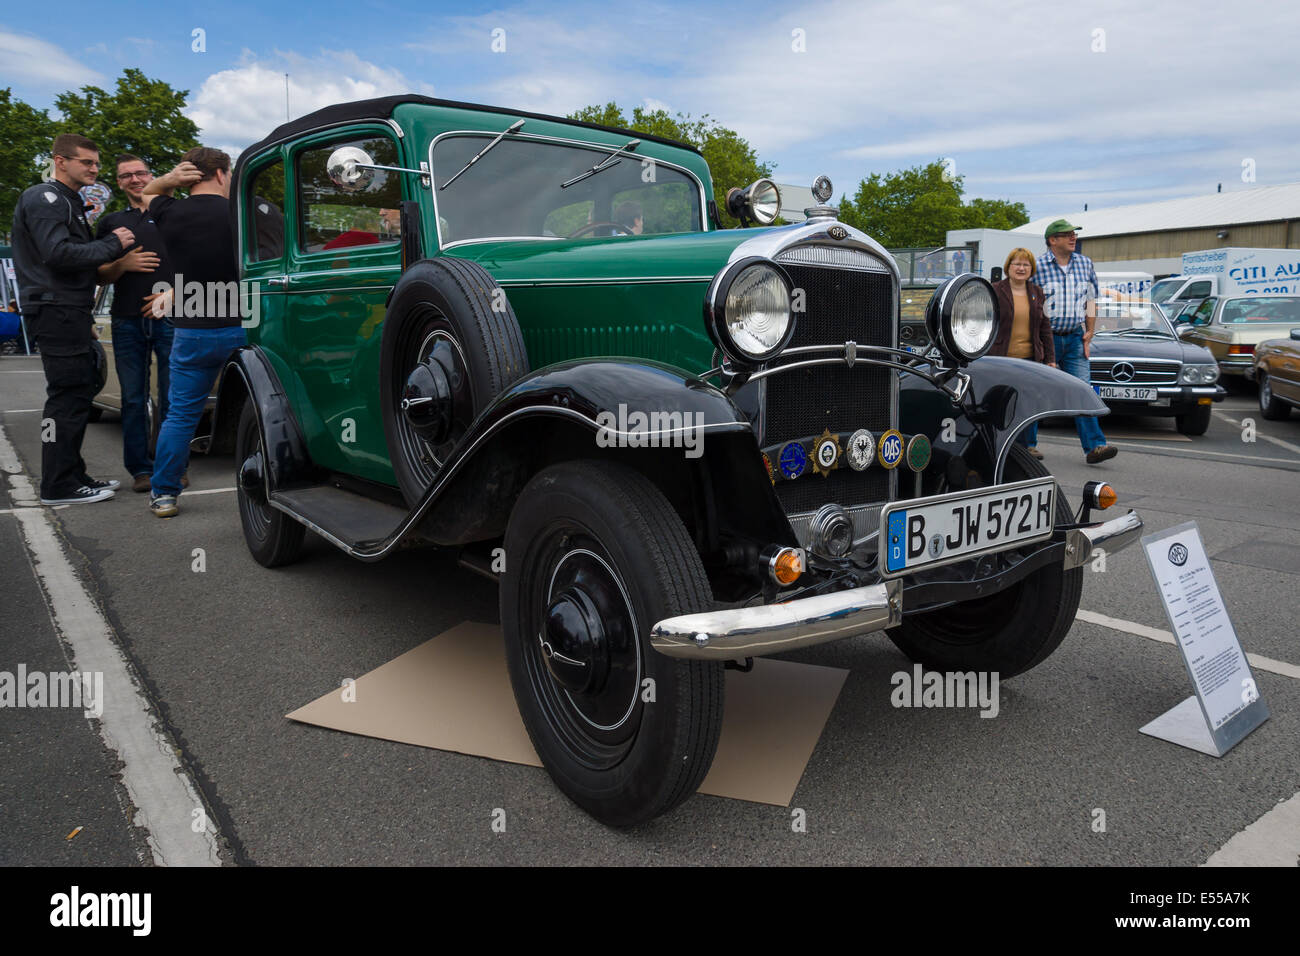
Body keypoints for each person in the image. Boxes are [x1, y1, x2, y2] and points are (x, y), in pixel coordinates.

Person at [10, 133, 136, 504]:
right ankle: (57, 484)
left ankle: (72, 474)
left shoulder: (69, 201)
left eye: (97, 163)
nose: (95, 169)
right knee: (65, 396)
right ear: (60, 161)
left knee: (80, 391)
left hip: (68, 308)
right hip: (54, 308)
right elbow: (58, 252)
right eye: (87, 162)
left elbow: (75, 257)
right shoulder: (44, 197)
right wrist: (114, 244)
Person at [141, 147, 245, 518]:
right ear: (221, 174)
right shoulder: (243, 210)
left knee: (181, 415)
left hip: (193, 326)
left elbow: (149, 193)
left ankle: (164, 495)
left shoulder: (171, 212)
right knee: (265, 410)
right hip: (243, 322)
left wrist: (170, 179)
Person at [95, 154, 172, 493]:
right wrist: (122, 264)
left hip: (172, 317)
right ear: (118, 182)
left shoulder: (173, 213)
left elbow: (201, 261)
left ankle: (174, 468)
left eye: (140, 172)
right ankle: (141, 470)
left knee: (173, 398)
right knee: (133, 399)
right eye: (126, 175)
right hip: (126, 320)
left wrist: (173, 291)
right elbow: (100, 273)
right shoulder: (110, 222)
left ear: (152, 175)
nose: (135, 179)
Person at [1032, 219, 1117, 464]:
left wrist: (1089, 332)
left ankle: (1095, 447)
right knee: (1035, 392)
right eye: (1067, 234)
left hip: (1074, 339)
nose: (1073, 238)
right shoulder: (1037, 266)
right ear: (1052, 240)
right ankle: (1027, 447)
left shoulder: (1085, 264)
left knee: (1083, 391)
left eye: (1074, 234)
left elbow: (1091, 300)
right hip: (1045, 340)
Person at [991, 247, 1056, 459]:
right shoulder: (994, 290)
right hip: (1001, 358)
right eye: (1017, 264)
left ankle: (1027, 446)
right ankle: (999, 443)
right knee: (1004, 403)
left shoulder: (1038, 293)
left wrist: (1051, 359)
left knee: (1029, 403)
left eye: (1026, 265)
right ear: (1008, 267)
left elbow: (1045, 328)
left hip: (1031, 359)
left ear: (1032, 269)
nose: (1021, 268)